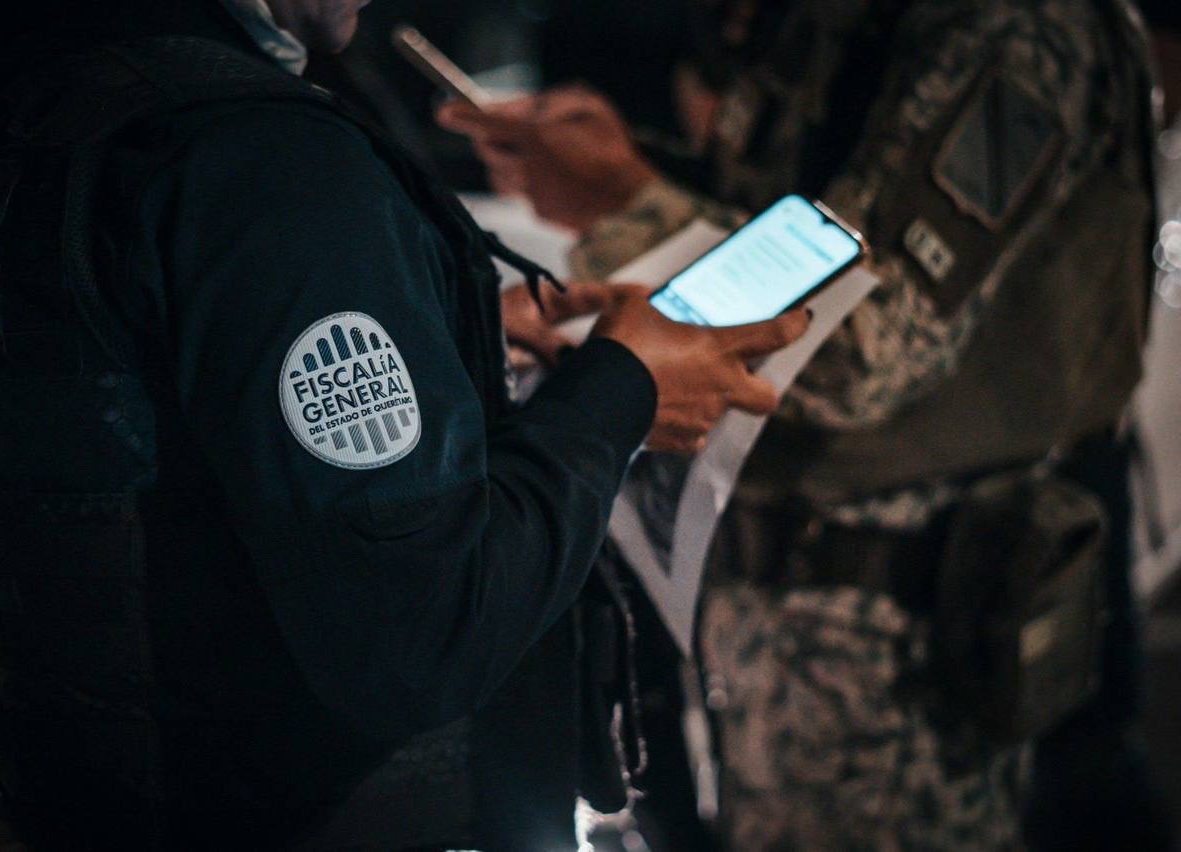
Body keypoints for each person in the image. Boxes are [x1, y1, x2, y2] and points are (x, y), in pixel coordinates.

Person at [0, 1, 811, 849]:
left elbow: (94, 385)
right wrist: (621, 392)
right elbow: (423, 638)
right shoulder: (259, 157)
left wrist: (429, 334)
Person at [441, 0, 1157, 847]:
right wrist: (630, 169)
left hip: (900, 643)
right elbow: (782, 214)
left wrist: (624, 201)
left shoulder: (1014, 26)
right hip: (764, 599)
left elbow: (856, 347)